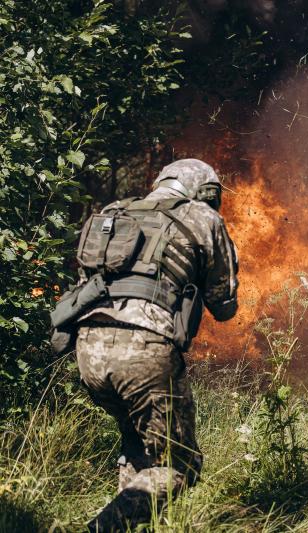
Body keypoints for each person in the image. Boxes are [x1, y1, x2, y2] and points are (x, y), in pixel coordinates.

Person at [65, 159, 238, 531]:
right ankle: (103, 528)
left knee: (140, 445)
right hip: (144, 349)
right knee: (179, 465)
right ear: (205, 192)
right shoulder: (203, 217)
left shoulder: (116, 212)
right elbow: (223, 304)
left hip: (88, 349)